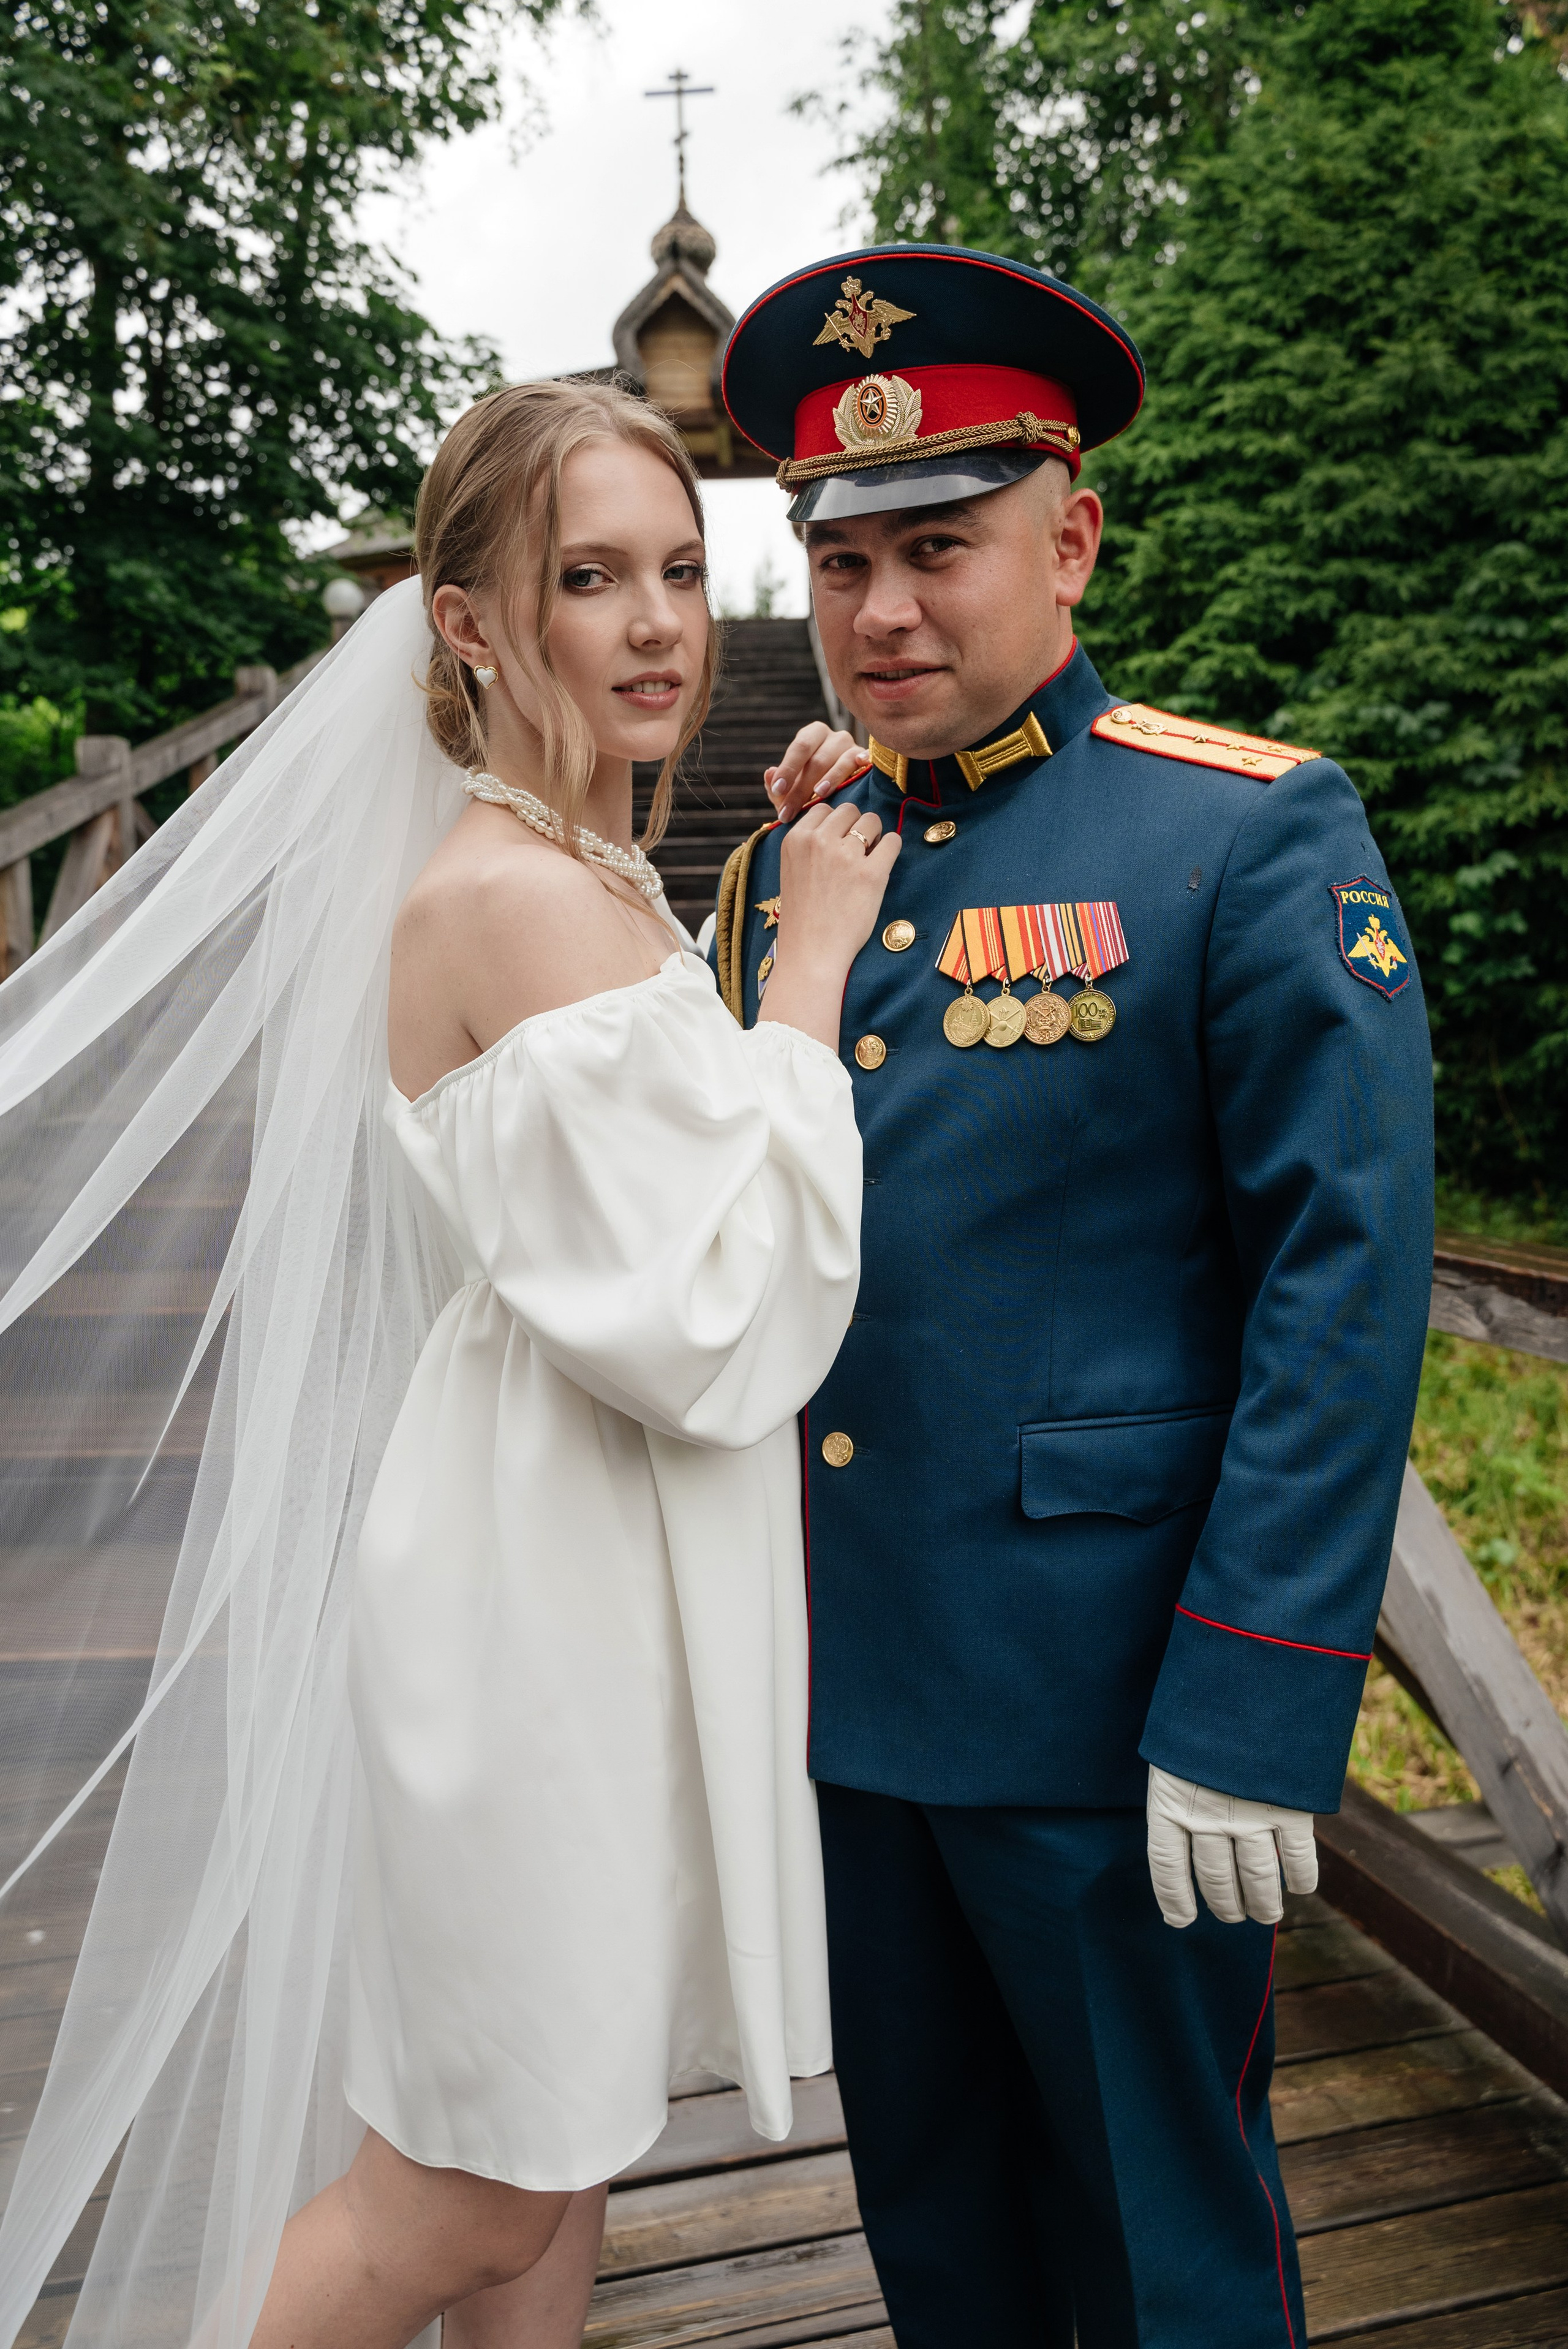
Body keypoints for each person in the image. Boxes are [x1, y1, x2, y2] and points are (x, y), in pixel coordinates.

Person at [0, 379, 895, 2349]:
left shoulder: (584, 876)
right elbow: (718, 1315)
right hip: (534, 1621)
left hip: (575, 1578)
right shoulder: (503, 898)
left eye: (682, 567)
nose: (662, 621)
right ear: (475, 621)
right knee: (467, 2192)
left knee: (553, 2150)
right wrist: (817, 966)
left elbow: (658, 1150)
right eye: (590, 578)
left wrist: (769, 882)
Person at [711, 243, 1434, 2347]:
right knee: (945, 2248)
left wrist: (1254, 1697)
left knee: (1164, 2258)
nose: (884, 613)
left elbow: (1344, 1284)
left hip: (1118, 1727)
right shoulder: (786, 874)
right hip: (852, 1715)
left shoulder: (1245, 832)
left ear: (1073, 535)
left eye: (943, 549)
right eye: (845, 566)